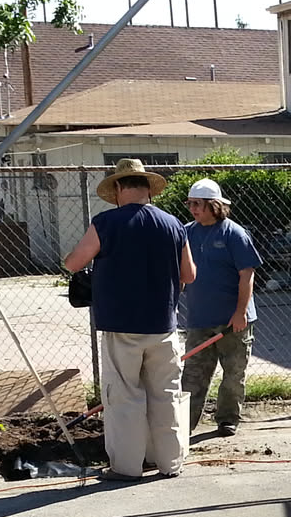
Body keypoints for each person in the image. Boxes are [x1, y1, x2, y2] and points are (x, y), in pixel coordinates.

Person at [62, 159, 195, 481]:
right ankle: (170, 463)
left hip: (121, 326)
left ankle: (126, 467)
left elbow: (74, 263)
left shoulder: (106, 222)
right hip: (163, 326)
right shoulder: (173, 224)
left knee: (124, 397)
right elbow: (189, 274)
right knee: (166, 395)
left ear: (119, 187)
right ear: (148, 188)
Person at [179, 178, 261, 438]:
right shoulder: (186, 233)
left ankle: (227, 419)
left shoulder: (233, 233)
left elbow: (247, 275)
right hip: (199, 320)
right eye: (190, 203)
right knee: (193, 375)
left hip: (232, 322)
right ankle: (183, 425)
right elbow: (180, 274)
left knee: (233, 374)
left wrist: (240, 313)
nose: (192, 209)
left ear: (214, 205)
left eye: (197, 204)